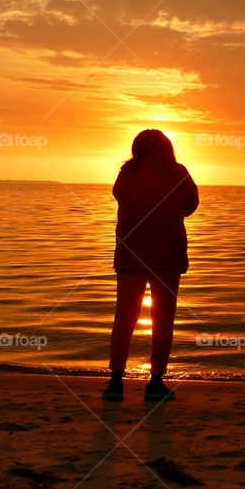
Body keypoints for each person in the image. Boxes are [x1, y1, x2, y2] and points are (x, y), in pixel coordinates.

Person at [104, 130, 199, 402]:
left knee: (124, 317)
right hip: (167, 254)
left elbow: (120, 197)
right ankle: (155, 381)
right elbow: (191, 205)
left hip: (131, 254)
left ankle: (115, 382)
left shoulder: (128, 173)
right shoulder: (178, 173)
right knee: (163, 319)